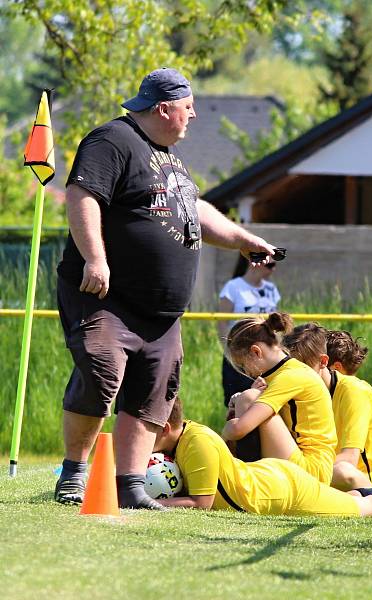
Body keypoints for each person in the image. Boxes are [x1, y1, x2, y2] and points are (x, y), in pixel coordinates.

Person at [54, 67, 274, 509]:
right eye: (188, 108)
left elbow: (195, 210)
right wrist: (96, 258)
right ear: (164, 107)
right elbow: (82, 196)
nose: (193, 117)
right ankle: (75, 475)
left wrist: (245, 240)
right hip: (108, 298)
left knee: (151, 393)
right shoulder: (112, 141)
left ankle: (130, 486)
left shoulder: (170, 157)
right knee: (100, 375)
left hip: (161, 313)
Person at [153, 398, 372, 517]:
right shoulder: (183, 439)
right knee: (351, 496)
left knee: (362, 507)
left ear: (166, 427)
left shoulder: (195, 442)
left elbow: (201, 504)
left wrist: (142, 501)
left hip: (281, 492)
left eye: (147, 427)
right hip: (271, 478)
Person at [221, 313, 337, 484]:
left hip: (311, 472)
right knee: (247, 398)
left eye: (243, 364)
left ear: (256, 351)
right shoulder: (282, 373)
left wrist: (225, 433)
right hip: (305, 465)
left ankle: (247, 484)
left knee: (248, 398)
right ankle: (247, 478)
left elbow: (240, 429)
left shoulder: (290, 375)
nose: (247, 372)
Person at [284, 324, 372, 490]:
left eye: (302, 368)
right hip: (324, 476)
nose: (294, 376)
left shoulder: (353, 390)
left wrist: (301, 467)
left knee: (342, 471)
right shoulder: (301, 394)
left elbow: (349, 459)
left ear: (323, 362)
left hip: (367, 487)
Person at [217, 256, 282, 461]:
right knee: (238, 402)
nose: (273, 268)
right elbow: (222, 323)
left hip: (263, 358)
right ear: (255, 262)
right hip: (240, 357)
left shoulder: (271, 289)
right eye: (269, 263)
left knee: (262, 401)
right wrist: (229, 354)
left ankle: (262, 451)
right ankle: (239, 453)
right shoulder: (233, 287)